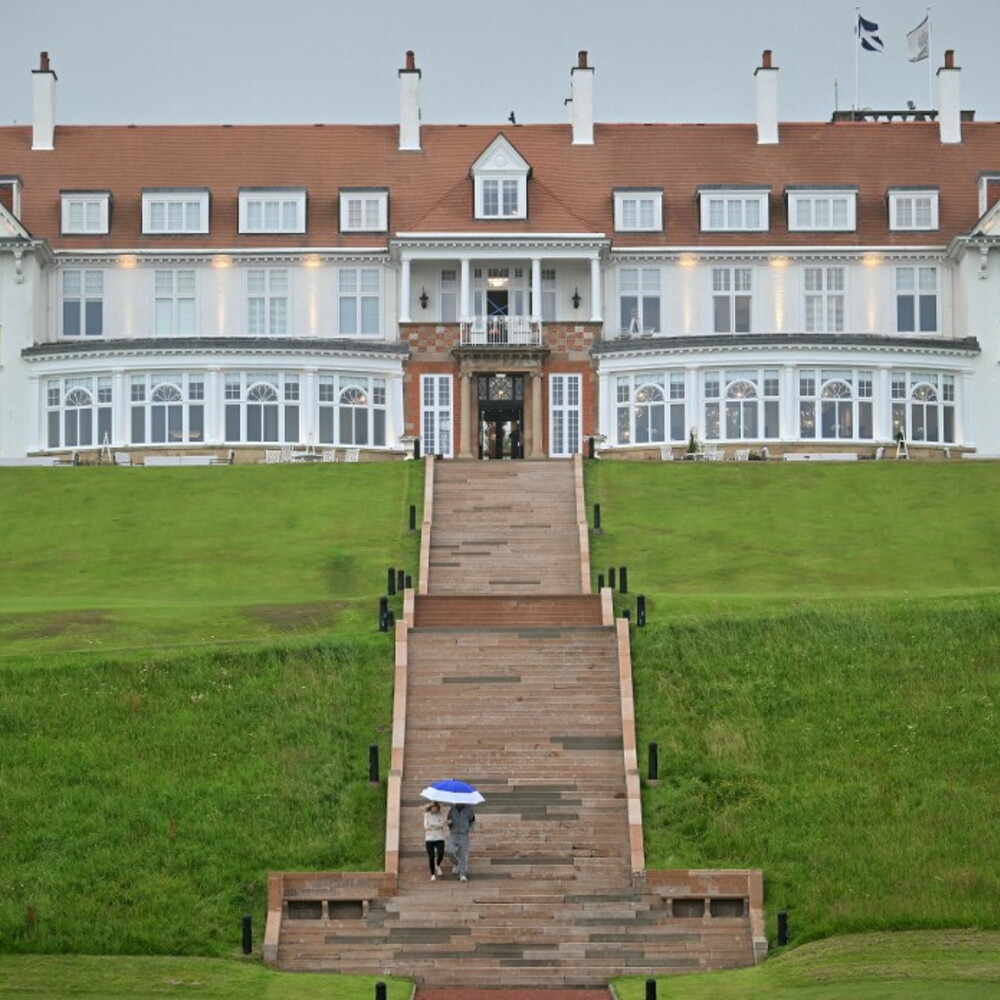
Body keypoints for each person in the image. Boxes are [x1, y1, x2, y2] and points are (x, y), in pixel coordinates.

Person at [447, 802, 476, 882]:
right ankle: (457, 863)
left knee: (463, 854)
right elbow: (448, 819)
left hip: (464, 835)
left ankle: (462, 874)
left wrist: (471, 831)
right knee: (450, 851)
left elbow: (472, 821)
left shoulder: (469, 809)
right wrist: (449, 823)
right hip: (453, 834)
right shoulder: (452, 809)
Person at [423, 802, 447, 881]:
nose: (434, 810)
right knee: (431, 856)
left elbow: (442, 825)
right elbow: (426, 826)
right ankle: (432, 874)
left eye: (436, 809)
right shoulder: (427, 815)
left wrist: (432, 825)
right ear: (431, 808)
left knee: (441, 853)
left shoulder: (441, 815)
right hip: (429, 838)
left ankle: (438, 864)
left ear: (438, 809)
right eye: (433, 808)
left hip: (439, 837)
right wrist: (437, 825)